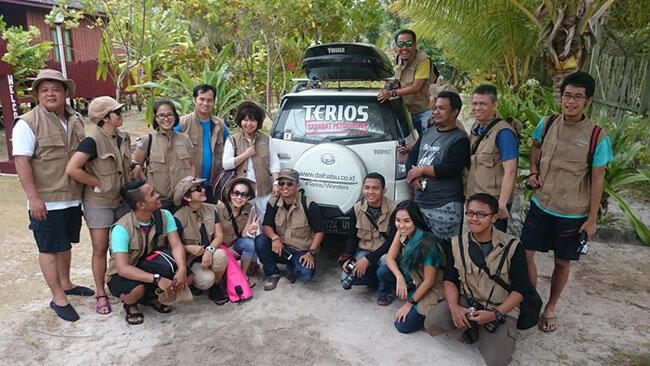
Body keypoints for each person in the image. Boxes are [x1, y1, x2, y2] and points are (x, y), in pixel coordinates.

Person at [522, 71, 613, 333]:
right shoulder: (547, 123)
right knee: (526, 253)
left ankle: (550, 306)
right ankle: (530, 299)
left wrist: (592, 219)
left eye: (577, 97)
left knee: (562, 262)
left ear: (588, 101)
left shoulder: (597, 136)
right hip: (541, 204)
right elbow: (535, 146)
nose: (570, 102)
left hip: (572, 213)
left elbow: (598, 180)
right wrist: (534, 172)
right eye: (567, 96)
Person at [13, 69, 94, 322]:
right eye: (44, 89)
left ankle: (67, 283)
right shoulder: (28, 122)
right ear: (37, 94)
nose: (50, 93)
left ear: (66, 92)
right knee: (48, 248)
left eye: (56, 89)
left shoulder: (76, 119)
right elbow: (22, 161)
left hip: (73, 196)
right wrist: (33, 197)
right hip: (46, 200)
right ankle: (58, 297)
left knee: (65, 244)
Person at [424, 193, 529, 366]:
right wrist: (454, 307)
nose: (474, 219)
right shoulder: (456, 243)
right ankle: (473, 325)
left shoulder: (513, 246)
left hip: (499, 306)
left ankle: (482, 330)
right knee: (432, 324)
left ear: (494, 217)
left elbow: (521, 290)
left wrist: (496, 314)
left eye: (481, 214)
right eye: (470, 213)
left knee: (497, 361)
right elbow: (450, 279)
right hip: (469, 300)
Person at [66, 96, 141, 315]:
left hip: (122, 201)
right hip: (99, 203)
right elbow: (73, 169)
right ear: (106, 118)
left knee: (122, 248)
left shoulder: (123, 138)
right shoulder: (92, 140)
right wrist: (98, 183)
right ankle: (100, 292)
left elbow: (126, 163)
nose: (121, 115)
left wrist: (134, 167)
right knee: (100, 249)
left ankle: (123, 287)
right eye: (117, 112)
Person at [106, 180, 188, 325]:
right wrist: (157, 279)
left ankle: (151, 298)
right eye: (152, 194)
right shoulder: (121, 228)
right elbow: (122, 268)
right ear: (141, 205)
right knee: (137, 290)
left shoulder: (165, 215)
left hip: (148, 265)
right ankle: (130, 304)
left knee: (177, 268)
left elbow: (176, 245)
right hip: (123, 274)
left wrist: (182, 269)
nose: (158, 195)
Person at [406, 91, 470, 239]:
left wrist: (421, 170)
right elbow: (412, 157)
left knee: (445, 253)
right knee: (420, 252)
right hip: (420, 204)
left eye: (442, 108)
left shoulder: (459, 139)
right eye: (435, 108)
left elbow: (451, 169)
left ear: (455, 111)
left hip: (445, 205)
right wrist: (414, 178)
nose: (436, 112)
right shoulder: (428, 132)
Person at [376, 200, 446, 334]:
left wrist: (409, 304)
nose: (401, 225)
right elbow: (390, 258)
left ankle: (427, 304)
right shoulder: (402, 231)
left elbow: (429, 281)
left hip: (432, 287)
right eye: (398, 220)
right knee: (384, 271)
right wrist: (399, 278)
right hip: (413, 276)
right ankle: (409, 290)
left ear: (416, 220)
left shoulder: (429, 243)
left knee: (402, 325)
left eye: (407, 221)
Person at [254, 169, 325, 291]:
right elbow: (266, 225)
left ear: (298, 185)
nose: (285, 187)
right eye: (281, 183)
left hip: (300, 251)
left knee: (306, 275)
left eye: (289, 183)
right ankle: (273, 274)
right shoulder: (273, 202)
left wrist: (311, 253)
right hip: (280, 248)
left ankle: (291, 268)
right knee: (260, 241)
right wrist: (275, 238)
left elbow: (320, 231)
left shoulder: (308, 204)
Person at [465, 85, 518, 232]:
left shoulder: (504, 133)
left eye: (483, 104)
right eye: (475, 103)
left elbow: (511, 171)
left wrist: (501, 205)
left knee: (493, 248)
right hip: (476, 200)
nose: (477, 108)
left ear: (494, 105)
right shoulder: (477, 128)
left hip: (493, 204)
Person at [172, 176, 230, 304]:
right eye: (197, 189)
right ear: (187, 197)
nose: (203, 190)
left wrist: (209, 250)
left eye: (202, 187)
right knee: (206, 280)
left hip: (209, 253)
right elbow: (172, 245)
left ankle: (215, 286)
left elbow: (219, 236)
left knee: (221, 255)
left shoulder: (211, 208)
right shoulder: (178, 217)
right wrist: (188, 248)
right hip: (191, 260)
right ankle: (197, 282)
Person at [134, 98, 194, 210]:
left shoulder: (185, 139)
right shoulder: (147, 140)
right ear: (156, 118)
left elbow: (192, 165)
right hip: (158, 202)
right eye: (161, 115)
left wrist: (190, 184)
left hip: (183, 199)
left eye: (170, 115)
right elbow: (136, 168)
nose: (166, 119)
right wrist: (147, 185)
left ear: (175, 116)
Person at [222, 101, 280, 217]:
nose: (248, 124)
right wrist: (246, 154)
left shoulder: (266, 138)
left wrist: (276, 182)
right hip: (243, 192)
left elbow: (274, 162)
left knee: (264, 219)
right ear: (240, 121)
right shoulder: (232, 140)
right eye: (245, 120)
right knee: (245, 219)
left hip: (263, 189)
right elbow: (226, 164)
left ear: (258, 122)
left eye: (252, 120)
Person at [339, 173, 396, 289]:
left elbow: (392, 241)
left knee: (385, 262)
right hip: (365, 250)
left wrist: (367, 260)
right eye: (367, 188)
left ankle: (385, 289)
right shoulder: (357, 208)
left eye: (375, 188)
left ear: (384, 190)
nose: (370, 192)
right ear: (362, 189)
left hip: (386, 252)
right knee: (346, 277)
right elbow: (352, 237)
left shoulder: (394, 209)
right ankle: (376, 278)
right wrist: (347, 258)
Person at [377, 29, 438, 136]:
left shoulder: (423, 60)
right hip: (409, 111)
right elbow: (398, 76)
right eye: (400, 44)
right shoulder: (399, 59)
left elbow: (416, 87)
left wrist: (391, 94)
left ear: (414, 45)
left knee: (427, 142)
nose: (404, 48)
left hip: (426, 111)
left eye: (408, 44)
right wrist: (388, 84)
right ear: (396, 47)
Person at [177, 84, 229, 203]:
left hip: (213, 184)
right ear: (194, 100)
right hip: (191, 186)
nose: (205, 103)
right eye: (202, 99)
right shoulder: (183, 123)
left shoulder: (219, 125)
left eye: (209, 100)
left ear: (214, 102)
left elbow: (231, 146)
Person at [216, 177, 258, 279]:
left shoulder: (249, 209)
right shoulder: (219, 208)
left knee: (249, 243)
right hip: (219, 247)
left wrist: (250, 231)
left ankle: (242, 275)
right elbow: (212, 236)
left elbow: (244, 234)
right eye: (236, 193)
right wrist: (226, 249)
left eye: (244, 195)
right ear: (230, 194)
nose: (239, 197)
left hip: (234, 245)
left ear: (248, 197)